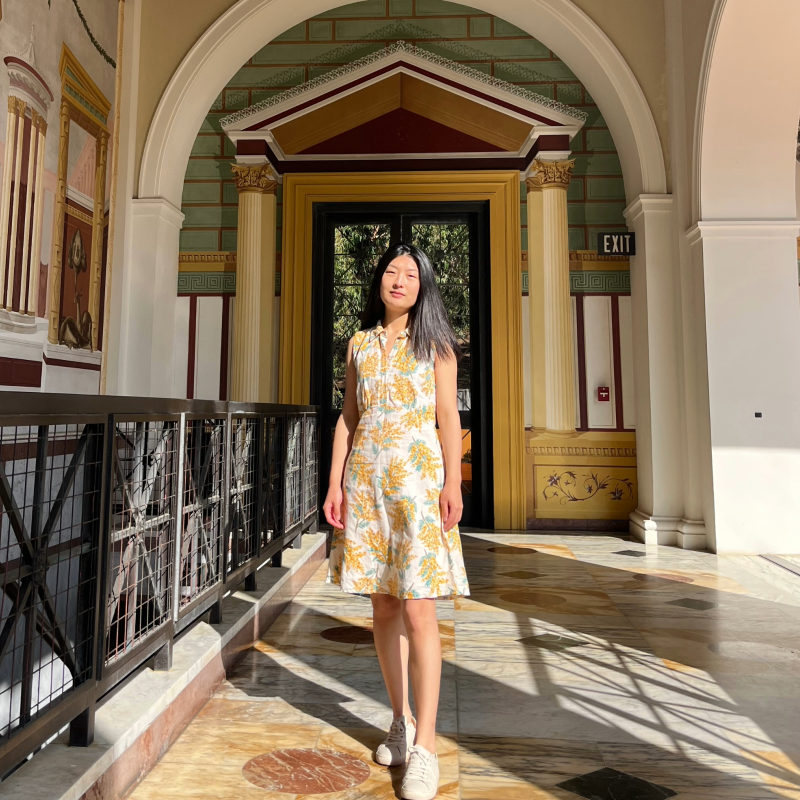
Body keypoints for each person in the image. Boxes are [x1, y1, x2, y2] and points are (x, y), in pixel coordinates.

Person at [323, 242, 469, 800]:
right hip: (367, 488)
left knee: (419, 607)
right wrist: (335, 481)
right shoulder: (359, 343)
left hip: (418, 488)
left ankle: (427, 748)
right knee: (383, 604)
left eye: (410, 273)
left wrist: (453, 482)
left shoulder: (436, 345)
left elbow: (449, 418)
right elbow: (348, 417)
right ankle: (401, 723)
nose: (399, 280)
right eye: (391, 271)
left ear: (423, 284)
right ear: (379, 283)